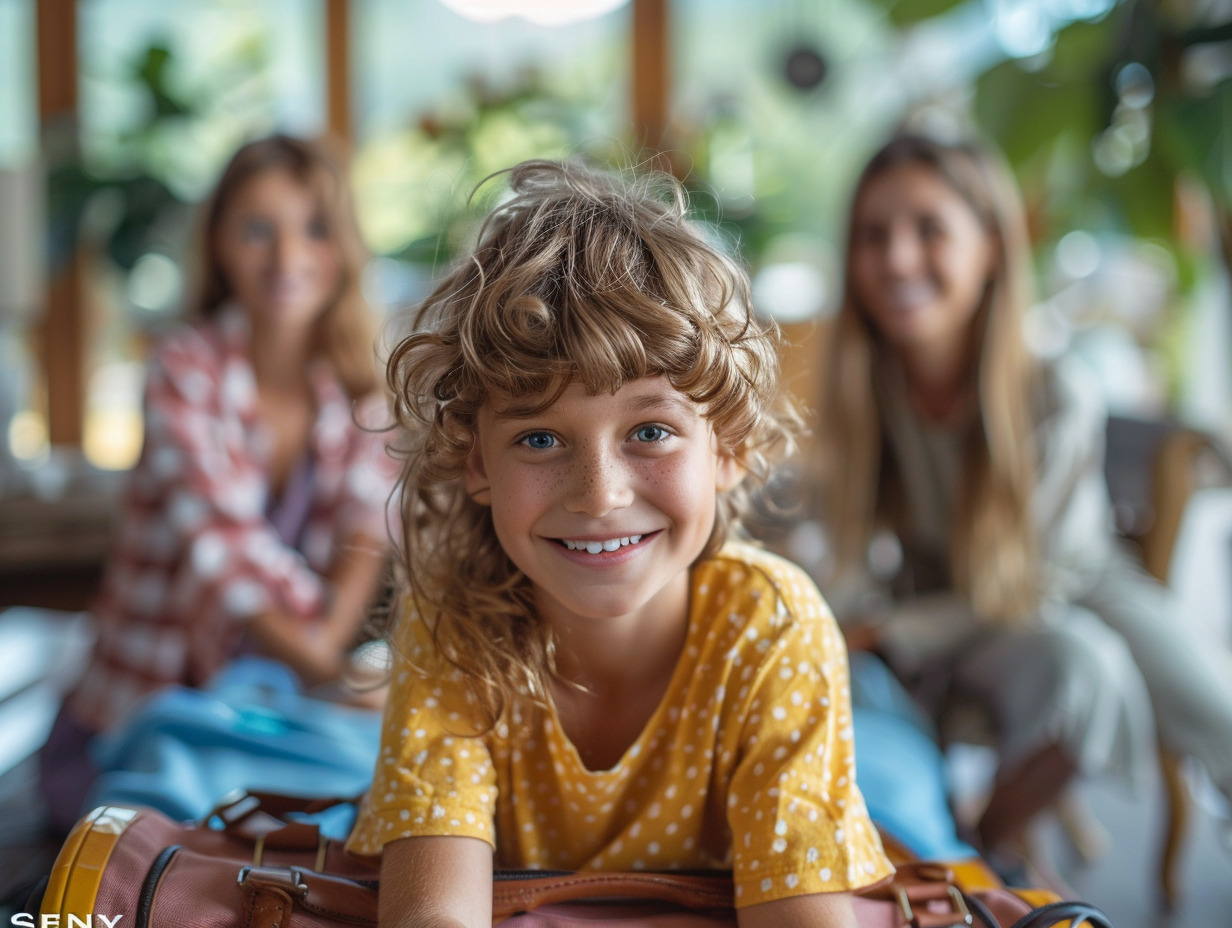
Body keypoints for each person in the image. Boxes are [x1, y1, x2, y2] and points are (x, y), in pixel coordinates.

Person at [345, 160, 893, 928]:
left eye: (651, 431)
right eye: (539, 438)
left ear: (728, 449)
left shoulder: (772, 627)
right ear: (477, 463)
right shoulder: (453, 627)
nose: (599, 494)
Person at [816, 130, 1232, 867]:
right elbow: (837, 537)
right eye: (873, 236)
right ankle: (974, 856)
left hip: (1062, 580)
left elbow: (1043, 578)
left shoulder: (1053, 389)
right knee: (1082, 666)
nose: (897, 259)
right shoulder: (862, 384)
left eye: (930, 230)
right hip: (953, 605)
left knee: (1209, 710)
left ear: (993, 249)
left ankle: (985, 851)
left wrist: (891, 630)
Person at [39, 134, 396, 834]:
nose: (288, 258)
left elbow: (366, 529)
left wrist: (331, 669)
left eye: (314, 228)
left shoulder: (353, 383)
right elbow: (223, 551)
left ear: (343, 244)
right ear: (221, 243)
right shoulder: (185, 369)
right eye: (258, 230)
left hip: (275, 701)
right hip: (147, 713)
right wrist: (332, 668)